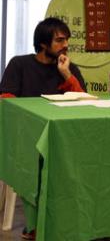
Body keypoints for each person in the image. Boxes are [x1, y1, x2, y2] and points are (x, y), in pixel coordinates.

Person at [0, 17, 86, 240]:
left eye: (67, 39)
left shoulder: (69, 67)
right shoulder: (19, 64)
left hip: (61, 138)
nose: (65, 44)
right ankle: (37, 224)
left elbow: (84, 101)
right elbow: (6, 101)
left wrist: (66, 74)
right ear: (43, 43)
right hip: (26, 138)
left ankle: (70, 221)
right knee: (45, 162)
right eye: (59, 40)